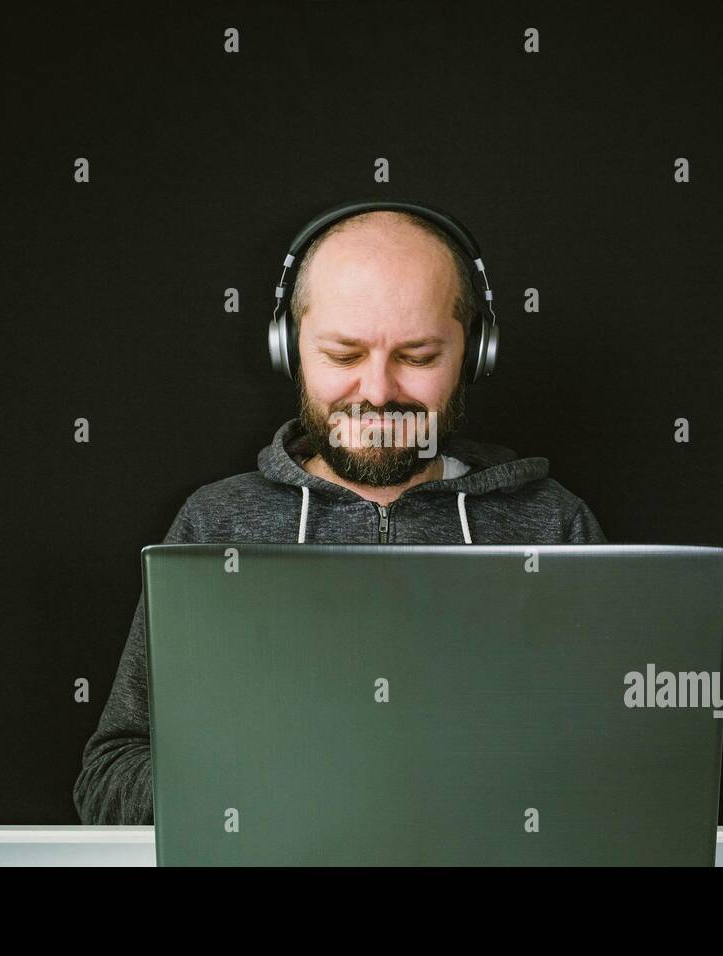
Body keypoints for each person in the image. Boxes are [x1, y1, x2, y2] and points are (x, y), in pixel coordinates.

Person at [73, 207, 608, 825]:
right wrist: (272, 788)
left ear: (476, 352)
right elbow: (110, 781)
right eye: (344, 354)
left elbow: (620, 773)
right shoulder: (216, 525)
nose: (377, 391)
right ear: (288, 350)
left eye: (418, 355)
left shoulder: (553, 526)